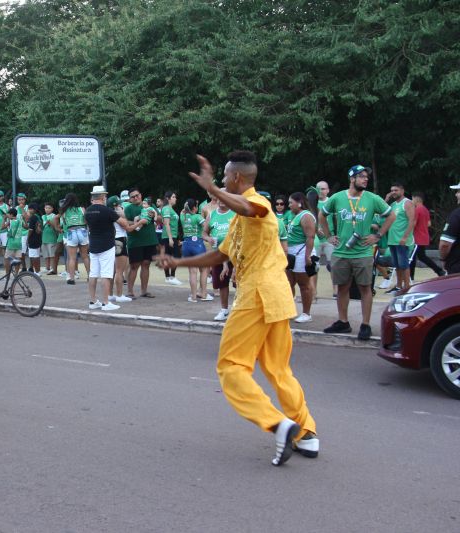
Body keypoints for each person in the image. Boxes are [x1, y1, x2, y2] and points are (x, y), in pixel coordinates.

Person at [158, 151, 317, 466]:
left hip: (256, 295)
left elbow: (247, 206)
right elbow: (220, 255)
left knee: (231, 368)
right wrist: (179, 261)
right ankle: (307, 435)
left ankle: (279, 424)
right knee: (278, 369)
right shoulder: (238, 219)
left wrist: (213, 191)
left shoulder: (259, 204)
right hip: (275, 296)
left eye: (224, 178)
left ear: (237, 178)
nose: (220, 182)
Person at [319, 165, 395, 340]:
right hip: (341, 252)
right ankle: (343, 322)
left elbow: (391, 216)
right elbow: (322, 215)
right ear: (352, 179)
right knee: (342, 288)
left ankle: (365, 325)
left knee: (365, 288)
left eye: (366, 176)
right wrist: (329, 236)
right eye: (361, 176)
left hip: (363, 252)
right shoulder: (337, 198)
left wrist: (378, 235)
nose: (365, 179)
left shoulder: (372, 198)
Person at [85, 186, 134, 310]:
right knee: (106, 274)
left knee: (93, 274)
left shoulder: (88, 211)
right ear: (102, 197)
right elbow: (124, 224)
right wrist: (121, 215)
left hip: (93, 245)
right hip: (106, 245)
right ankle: (106, 302)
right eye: (105, 196)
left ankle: (92, 301)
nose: (106, 198)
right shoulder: (107, 211)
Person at [285, 192, 317, 323]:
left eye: (290, 202)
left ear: (299, 203)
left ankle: (306, 313)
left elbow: (310, 237)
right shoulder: (295, 216)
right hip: (292, 253)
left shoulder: (306, 216)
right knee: (289, 283)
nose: (289, 205)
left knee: (304, 284)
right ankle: (289, 310)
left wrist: (307, 256)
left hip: (302, 252)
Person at [203, 195, 235, 321]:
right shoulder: (212, 215)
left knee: (239, 283)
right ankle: (224, 310)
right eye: (219, 199)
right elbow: (204, 232)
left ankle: (239, 311)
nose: (221, 201)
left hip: (234, 254)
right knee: (222, 283)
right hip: (218, 254)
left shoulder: (235, 213)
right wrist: (208, 238)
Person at [123, 188, 157, 298]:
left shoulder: (149, 206)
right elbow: (123, 222)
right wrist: (138, 221)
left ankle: (144, 291)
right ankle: (130, 291)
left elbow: (160, 219)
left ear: (141, 195)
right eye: (133, 197)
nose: (135, 198)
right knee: (134, 266)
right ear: (130, 199)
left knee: (146, 265)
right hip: (135, 241)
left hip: (150, 240)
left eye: (137, 195)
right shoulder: (128, 208)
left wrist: (153, 216)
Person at [383, 183, 416, 294]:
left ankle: (407, 287)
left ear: (402, 191)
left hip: (402, 240)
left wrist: (405, 237)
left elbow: (412, 221)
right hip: (392, 239)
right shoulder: (393, 205)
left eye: (396, 190)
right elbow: (381, 212)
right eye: (392, 190)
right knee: (396, 265)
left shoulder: (407, 203)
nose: (393, 192)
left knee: (404, 265)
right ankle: (398, 286)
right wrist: (386, 199)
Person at [408, 192, 446, 279]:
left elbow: (413, 223)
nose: (411, 201)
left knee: (413, 258)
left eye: (412, 199)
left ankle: (411, 277)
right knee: (421, 257)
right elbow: (428, 223)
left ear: (416, 198)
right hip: (424, 236)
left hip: (417, 237)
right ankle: (439, 270)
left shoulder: (417, 209)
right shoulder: (425, 209)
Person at [180, 199, 210, 302]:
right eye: (197, 206)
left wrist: (186, 207)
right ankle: (204, 294)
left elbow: (183, 210)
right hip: (198, 244)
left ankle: (193, 297)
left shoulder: (182, 216)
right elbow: (206, 227)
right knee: (204, 270)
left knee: (192, 272)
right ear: (194, 208)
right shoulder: (197, 217)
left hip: (186, 245)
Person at [106, 195, 133, 303]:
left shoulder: (107, 213)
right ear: (116, 205)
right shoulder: (117, 214)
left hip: (111, 240)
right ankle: (119, 295)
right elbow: (125, 226)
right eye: (119, 204)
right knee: (119, 270)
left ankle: (109, 294)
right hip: (120, 240)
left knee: (112, 270)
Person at [59, 192, 90, 285]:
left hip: (71, 232)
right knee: (85, 256)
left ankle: (71, 278)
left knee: (72, 258)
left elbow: (64, 222)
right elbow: (85, 221)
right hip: (82, 231)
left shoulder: (63, 211)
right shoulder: (82, 209)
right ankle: (90, 276)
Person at [161, 191, 183, 285]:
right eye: (173, 197)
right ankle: (171, 277)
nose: (175, 198)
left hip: (173, 236)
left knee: (170, 256)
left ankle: (169, 277)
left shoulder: (171, 209)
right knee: (176, 255)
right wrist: (170, 238)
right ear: (168, 198)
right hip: (168, 236)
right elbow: (166, 223)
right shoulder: (166, 209)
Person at [439, 181, 460, 274]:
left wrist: (443, 259)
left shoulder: (456, 215)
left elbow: (445, 244)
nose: (456, 194)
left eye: (459, 191)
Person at [4, 208, 24, 274]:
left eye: (8, 214)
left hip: (11, 243)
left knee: (7, 259)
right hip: (19, 243)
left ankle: (7, 274)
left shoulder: (10, 221)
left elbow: (2, 227)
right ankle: (16, 274)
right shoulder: (20, 221)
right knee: (17, 259)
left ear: (11, 214)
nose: (7, 215)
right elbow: (26, 226)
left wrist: (4, 219)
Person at [41, 202, 59, 274]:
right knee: (46, 255)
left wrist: (50, 223)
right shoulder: (42, 217)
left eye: (49, 208)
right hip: (44, 238)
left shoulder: (54, 216)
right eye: (46, 208)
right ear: (44, 209)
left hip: (52, 238)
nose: (47, 209)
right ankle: (47, 267)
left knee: (52, 254)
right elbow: (41, 228)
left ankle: (52, 268)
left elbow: (56, 227)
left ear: (52, 209)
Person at [26, 203, 42, 274]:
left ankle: (37, 272)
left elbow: (30, 230)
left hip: (33, 239)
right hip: (39, 238)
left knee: (34, 256)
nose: (29, 210)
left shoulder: (33, 217)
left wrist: (27, 238)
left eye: (30, 209)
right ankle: (38, 271)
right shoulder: (39, 217)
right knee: (37, 255)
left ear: (34, 209)